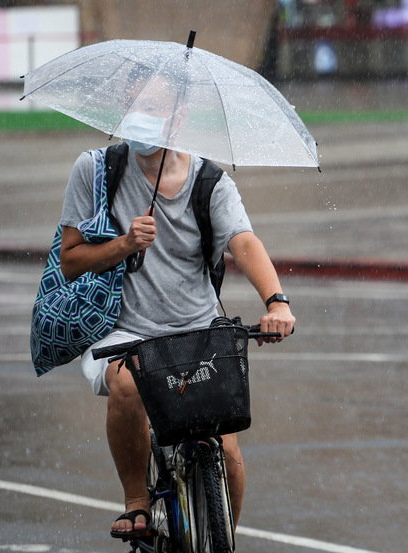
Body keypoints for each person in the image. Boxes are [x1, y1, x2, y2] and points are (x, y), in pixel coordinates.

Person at [57, 83, 295, 539]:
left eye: (151, 108)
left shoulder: (210, 182)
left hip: (198, 331)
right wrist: (125, 244)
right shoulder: (95, 170)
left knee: (225, 452)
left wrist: (276, 301)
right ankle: (136, 502)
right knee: (128, 386)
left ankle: (222, 541)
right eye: (132, 106)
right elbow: (70, 259)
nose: (138, 117)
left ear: (179, 118)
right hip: (123, 330)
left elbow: (243, 242)